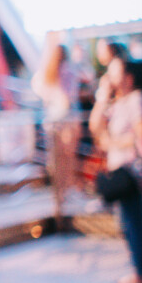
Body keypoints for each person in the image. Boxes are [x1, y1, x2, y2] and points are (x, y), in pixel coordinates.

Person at [89, 54, 142, 283]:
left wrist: (112, 142)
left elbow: (141, 137)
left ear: (130, 78)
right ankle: (139, 276)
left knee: (133, 224)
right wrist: (102, 95)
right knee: (128, 224)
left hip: (131, 171)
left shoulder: (138, 100)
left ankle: (141, 279)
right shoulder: (120, 102)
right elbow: (94, 125)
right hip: (121, 171)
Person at [32, 41, 84, 218]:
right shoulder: (68, 70)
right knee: (68, 156)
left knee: (57, 157)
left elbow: (38, 87)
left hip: (53, 119)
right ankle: (67, 190)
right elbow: (70, 95)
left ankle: (59, 192)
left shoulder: (47, 73)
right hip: (68, 117)